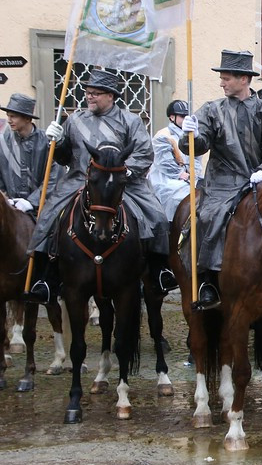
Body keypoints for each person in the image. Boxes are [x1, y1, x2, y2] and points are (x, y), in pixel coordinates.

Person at [26, 69, 174, 303]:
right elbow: (65, 158)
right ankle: (46, 278)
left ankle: (159, 270)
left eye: (95, 93)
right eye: (87, 92)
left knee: (156, 215)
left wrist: (124, 173)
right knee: (48, 215)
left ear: (111, 96)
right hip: (78, 180)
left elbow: (144, 153)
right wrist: (59, 141)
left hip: (123, 182)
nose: (89, 97)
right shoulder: (74, 120)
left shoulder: (130, 121)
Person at [180, 50, 262, 310]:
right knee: (207, 217)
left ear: (244, 80)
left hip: (259, 181)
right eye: (222, 78)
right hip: (221, 183)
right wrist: (191, 136)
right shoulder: (211, 109)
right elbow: (199, 146)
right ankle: (207, 279)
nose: (222, 83)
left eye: (226, 78)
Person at [0, 93, 57, 215]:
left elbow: (54, 177)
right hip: (10, 212)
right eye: (8, 116)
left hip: (42, 210)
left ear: (27, 118)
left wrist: (32, 201)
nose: (9, 120)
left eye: (14, 116)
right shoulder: (2, 142)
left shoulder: (47, 142)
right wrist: (5, 200)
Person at [149, 99, 203, 222]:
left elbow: (197, 157)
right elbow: (164, 162)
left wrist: (194, 173)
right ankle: (172, 226)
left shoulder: (191, 134)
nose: (185, 119)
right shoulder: (163, 135)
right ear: (172, 117)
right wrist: (181, 174)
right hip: (166, 179)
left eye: (187, 116)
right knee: (179, 197)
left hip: (189, 177)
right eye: (182, 116)